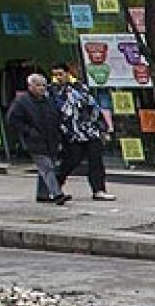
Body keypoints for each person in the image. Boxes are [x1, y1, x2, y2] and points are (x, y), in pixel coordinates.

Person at [49, 63, 114, 201]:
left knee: (96, 160)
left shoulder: (80, 88)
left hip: (89, 130)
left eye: (60, 74)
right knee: (72, 160)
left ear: (67, 73)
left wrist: (102, 127)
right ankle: (55, 185)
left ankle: (99, 189)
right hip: (71, 132)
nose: (58, 78)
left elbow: (93, 106)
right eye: (55, 75)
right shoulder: (53, 92)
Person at [8, 74, 68, 205]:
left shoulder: (47, 100)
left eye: (43, 85)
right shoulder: (22, 101)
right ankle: (57, 194)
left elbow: (56, 116)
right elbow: (12, 120)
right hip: (34, 140)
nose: (41, 88)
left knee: (47, 168)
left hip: (51, 139)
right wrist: (29, 131)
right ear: (30, 86)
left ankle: (42, 194)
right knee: (47, 167)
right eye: (38, 85)